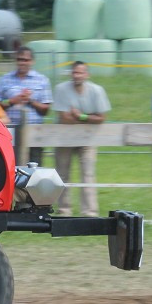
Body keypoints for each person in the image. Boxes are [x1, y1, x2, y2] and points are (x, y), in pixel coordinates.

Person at [52, 61, 111, 217]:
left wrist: (80, 116)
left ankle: (90, 211)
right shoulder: (61, 89)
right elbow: (64, 118)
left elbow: (102, 117)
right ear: (71, 74)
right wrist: (88, 119)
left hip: (88, 139)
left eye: (81, 72)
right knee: (62, 173)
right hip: (64, 137)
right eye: (75, 72)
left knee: (88, 173)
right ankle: (64, 210)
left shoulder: (97, 91)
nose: (77, 75)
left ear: (87, 74)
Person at [0, 47, 52, 165]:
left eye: (26, 60)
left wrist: (30, 101)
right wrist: (12, 101)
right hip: (10, 131)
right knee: (10, 166)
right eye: (20, 59)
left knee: (34, 166)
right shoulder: (4, 79)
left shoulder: (42, 80)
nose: (22, 63)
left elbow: (46, 109)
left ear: (32, 61)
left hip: (34, 131)